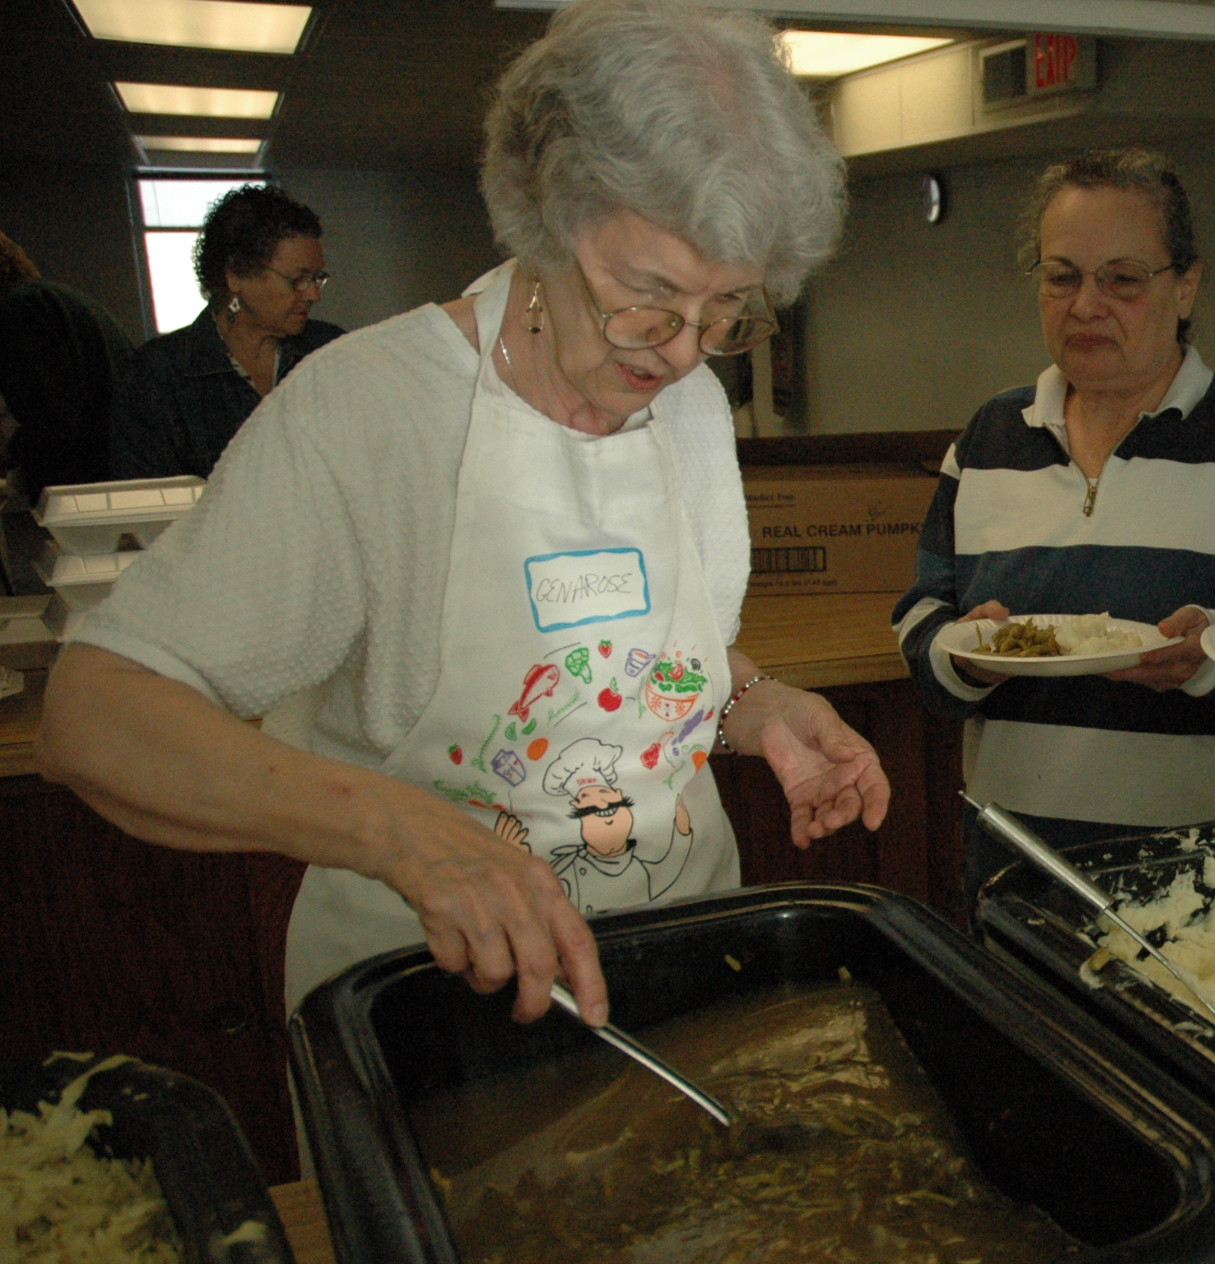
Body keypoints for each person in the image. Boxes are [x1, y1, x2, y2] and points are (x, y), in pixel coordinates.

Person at [37, 0, 888, 1029]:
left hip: (682, 972)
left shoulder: (694, 407)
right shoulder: (369, 408)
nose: (678, 352)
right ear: (544, 221)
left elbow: (650, 665)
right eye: (647, 296)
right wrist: (396, 831)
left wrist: (756, 704)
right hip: (433, 1010)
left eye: (724, 312)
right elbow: (94, 716)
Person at [892, 147, 1215, 892]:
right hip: (1017, 866)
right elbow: (921, 613)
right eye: (1061, 276)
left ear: (1186, 286)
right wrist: (964, 656)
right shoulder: (988, 438)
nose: (1085, 305)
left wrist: (1214, 657)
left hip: (1211, 879)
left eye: (1123, 280)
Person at [109, 184, 344, 479]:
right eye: (298, 280)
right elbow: (148, 498)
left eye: (317, 278)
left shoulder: (331, 351)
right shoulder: (158, 376)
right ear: (236, 275)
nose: (313, 295)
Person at [0, 231, 134, 496]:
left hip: (83, 492)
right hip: (117, 479)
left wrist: (13, 454)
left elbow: (50, 421)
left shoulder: (21, 310)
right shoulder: (57, 300)